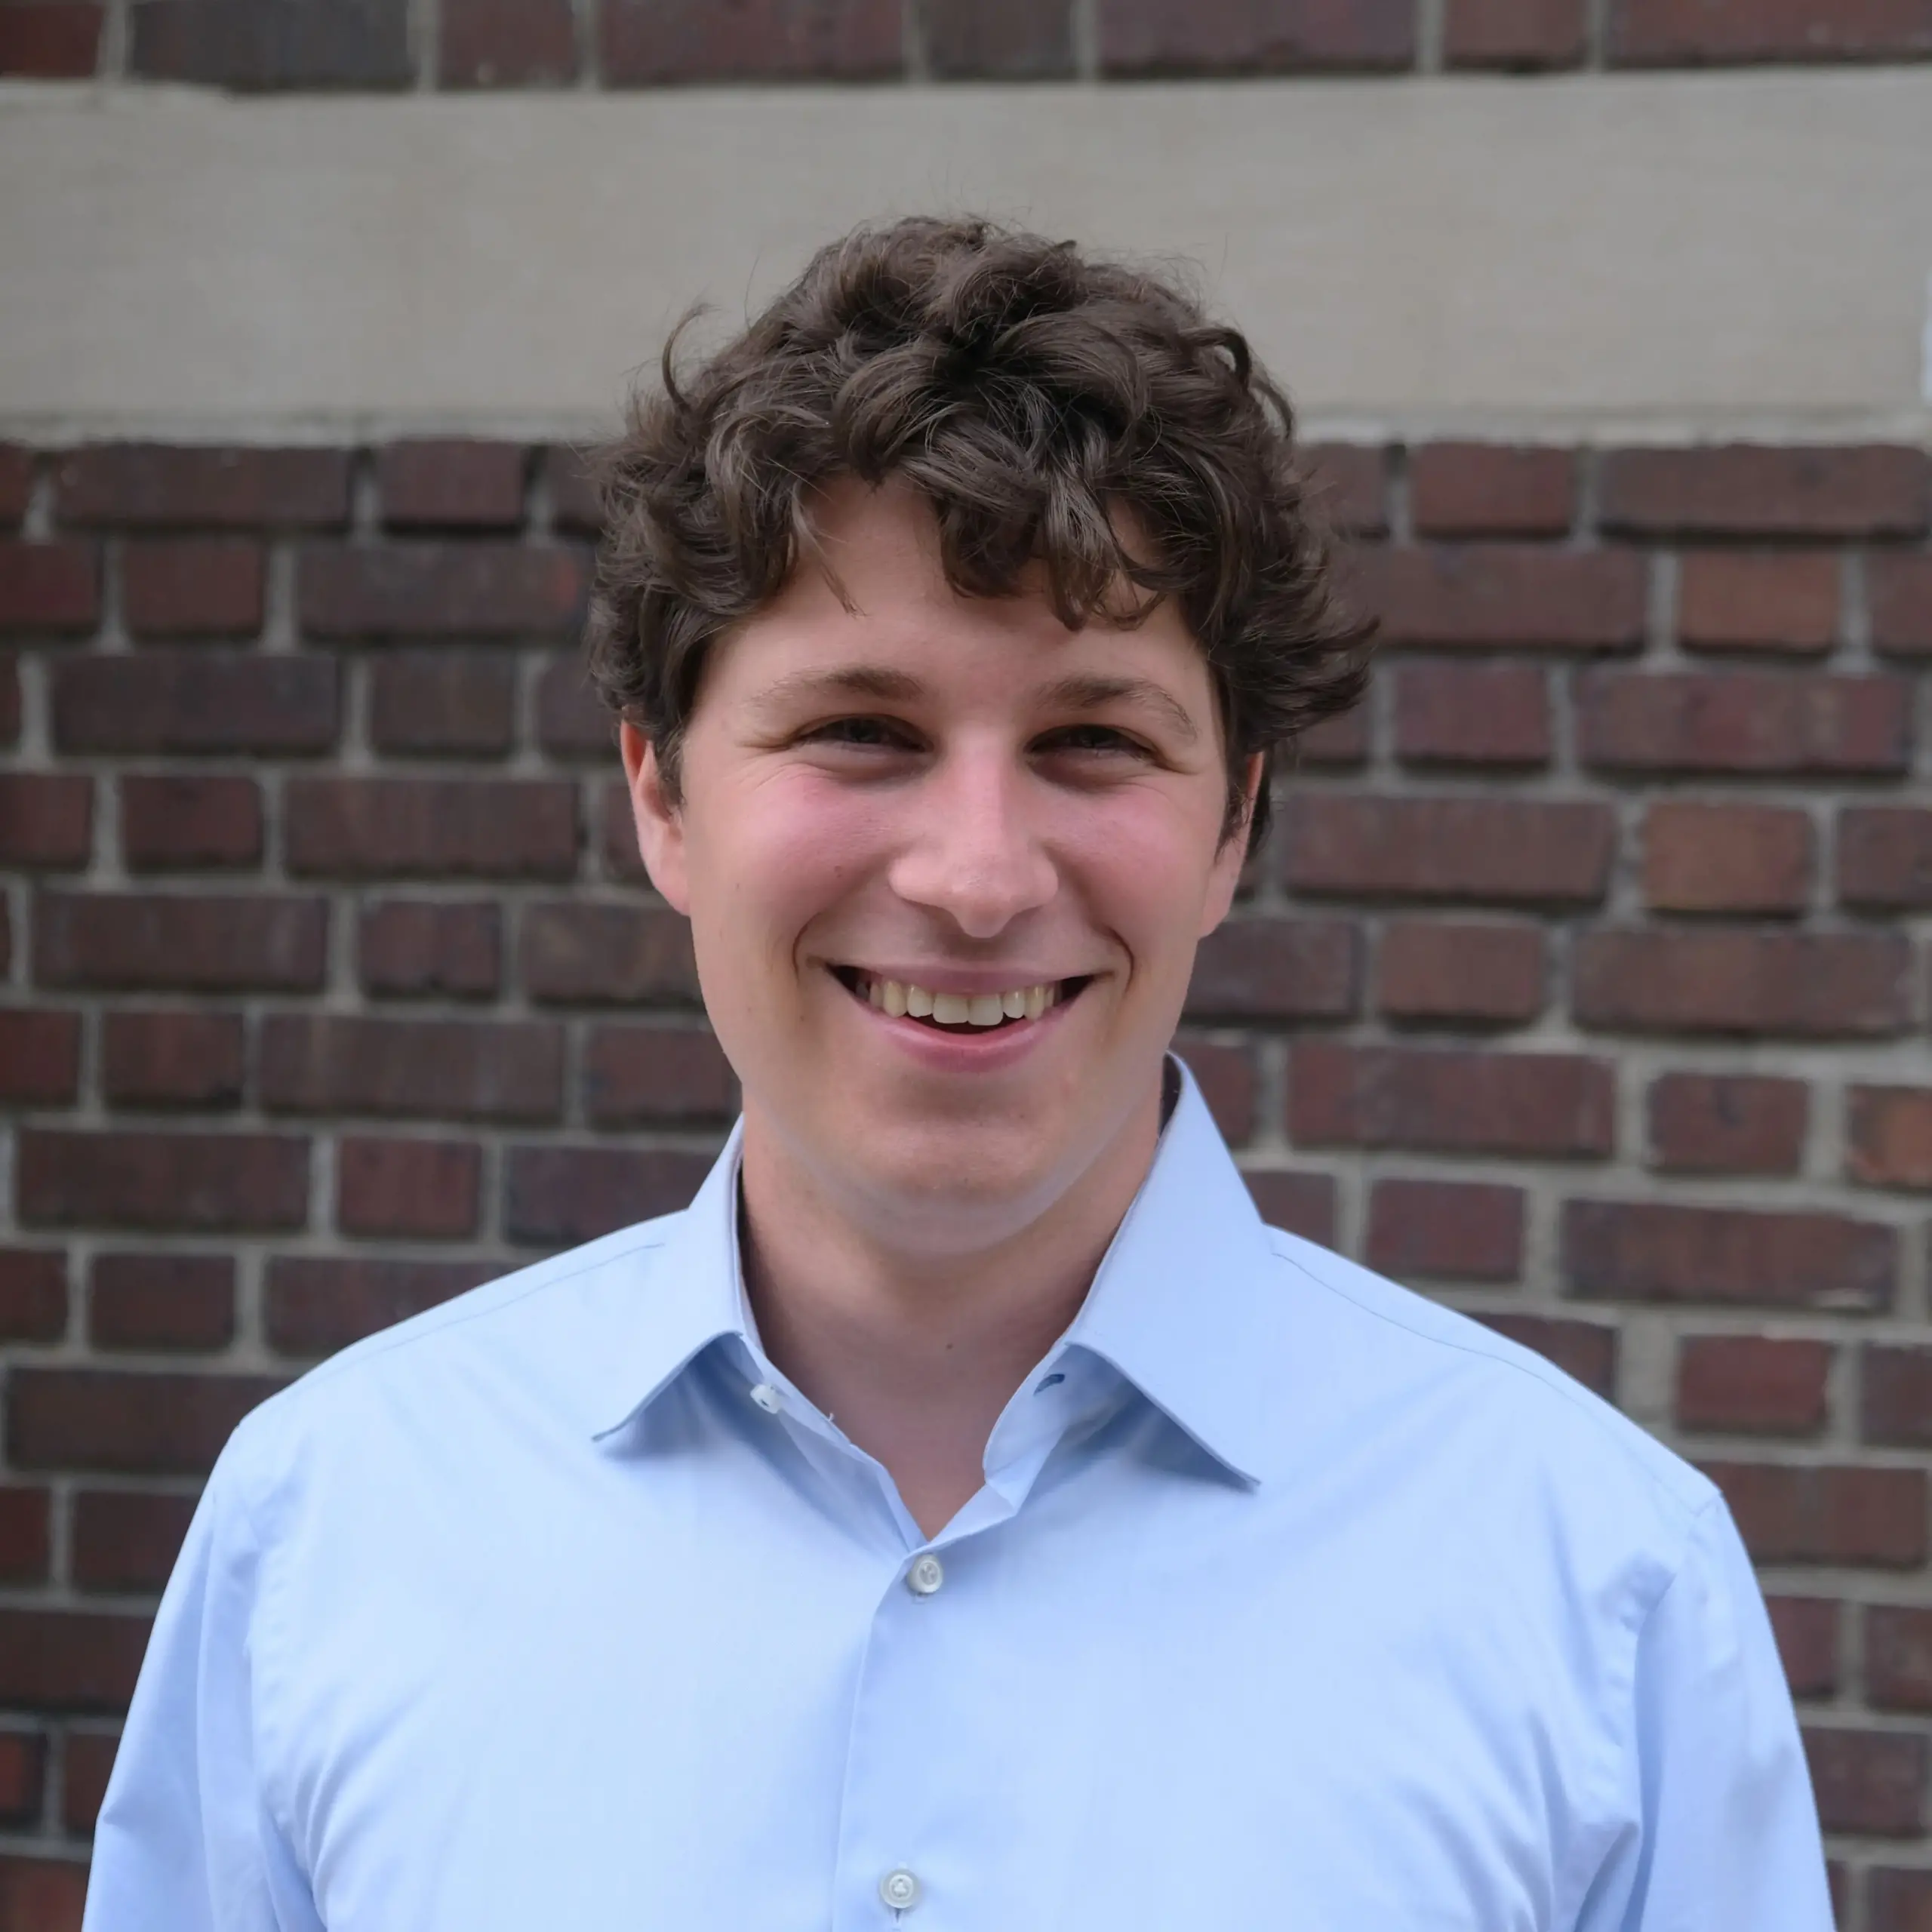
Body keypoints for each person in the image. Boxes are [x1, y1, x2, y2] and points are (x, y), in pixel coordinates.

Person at [85, 217, 1831, 1930]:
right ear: (661, 794)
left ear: (1232, 824)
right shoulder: (326, 1529)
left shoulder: (1599, 1587)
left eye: (1090, 739)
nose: (976, 875)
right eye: (862, 730)